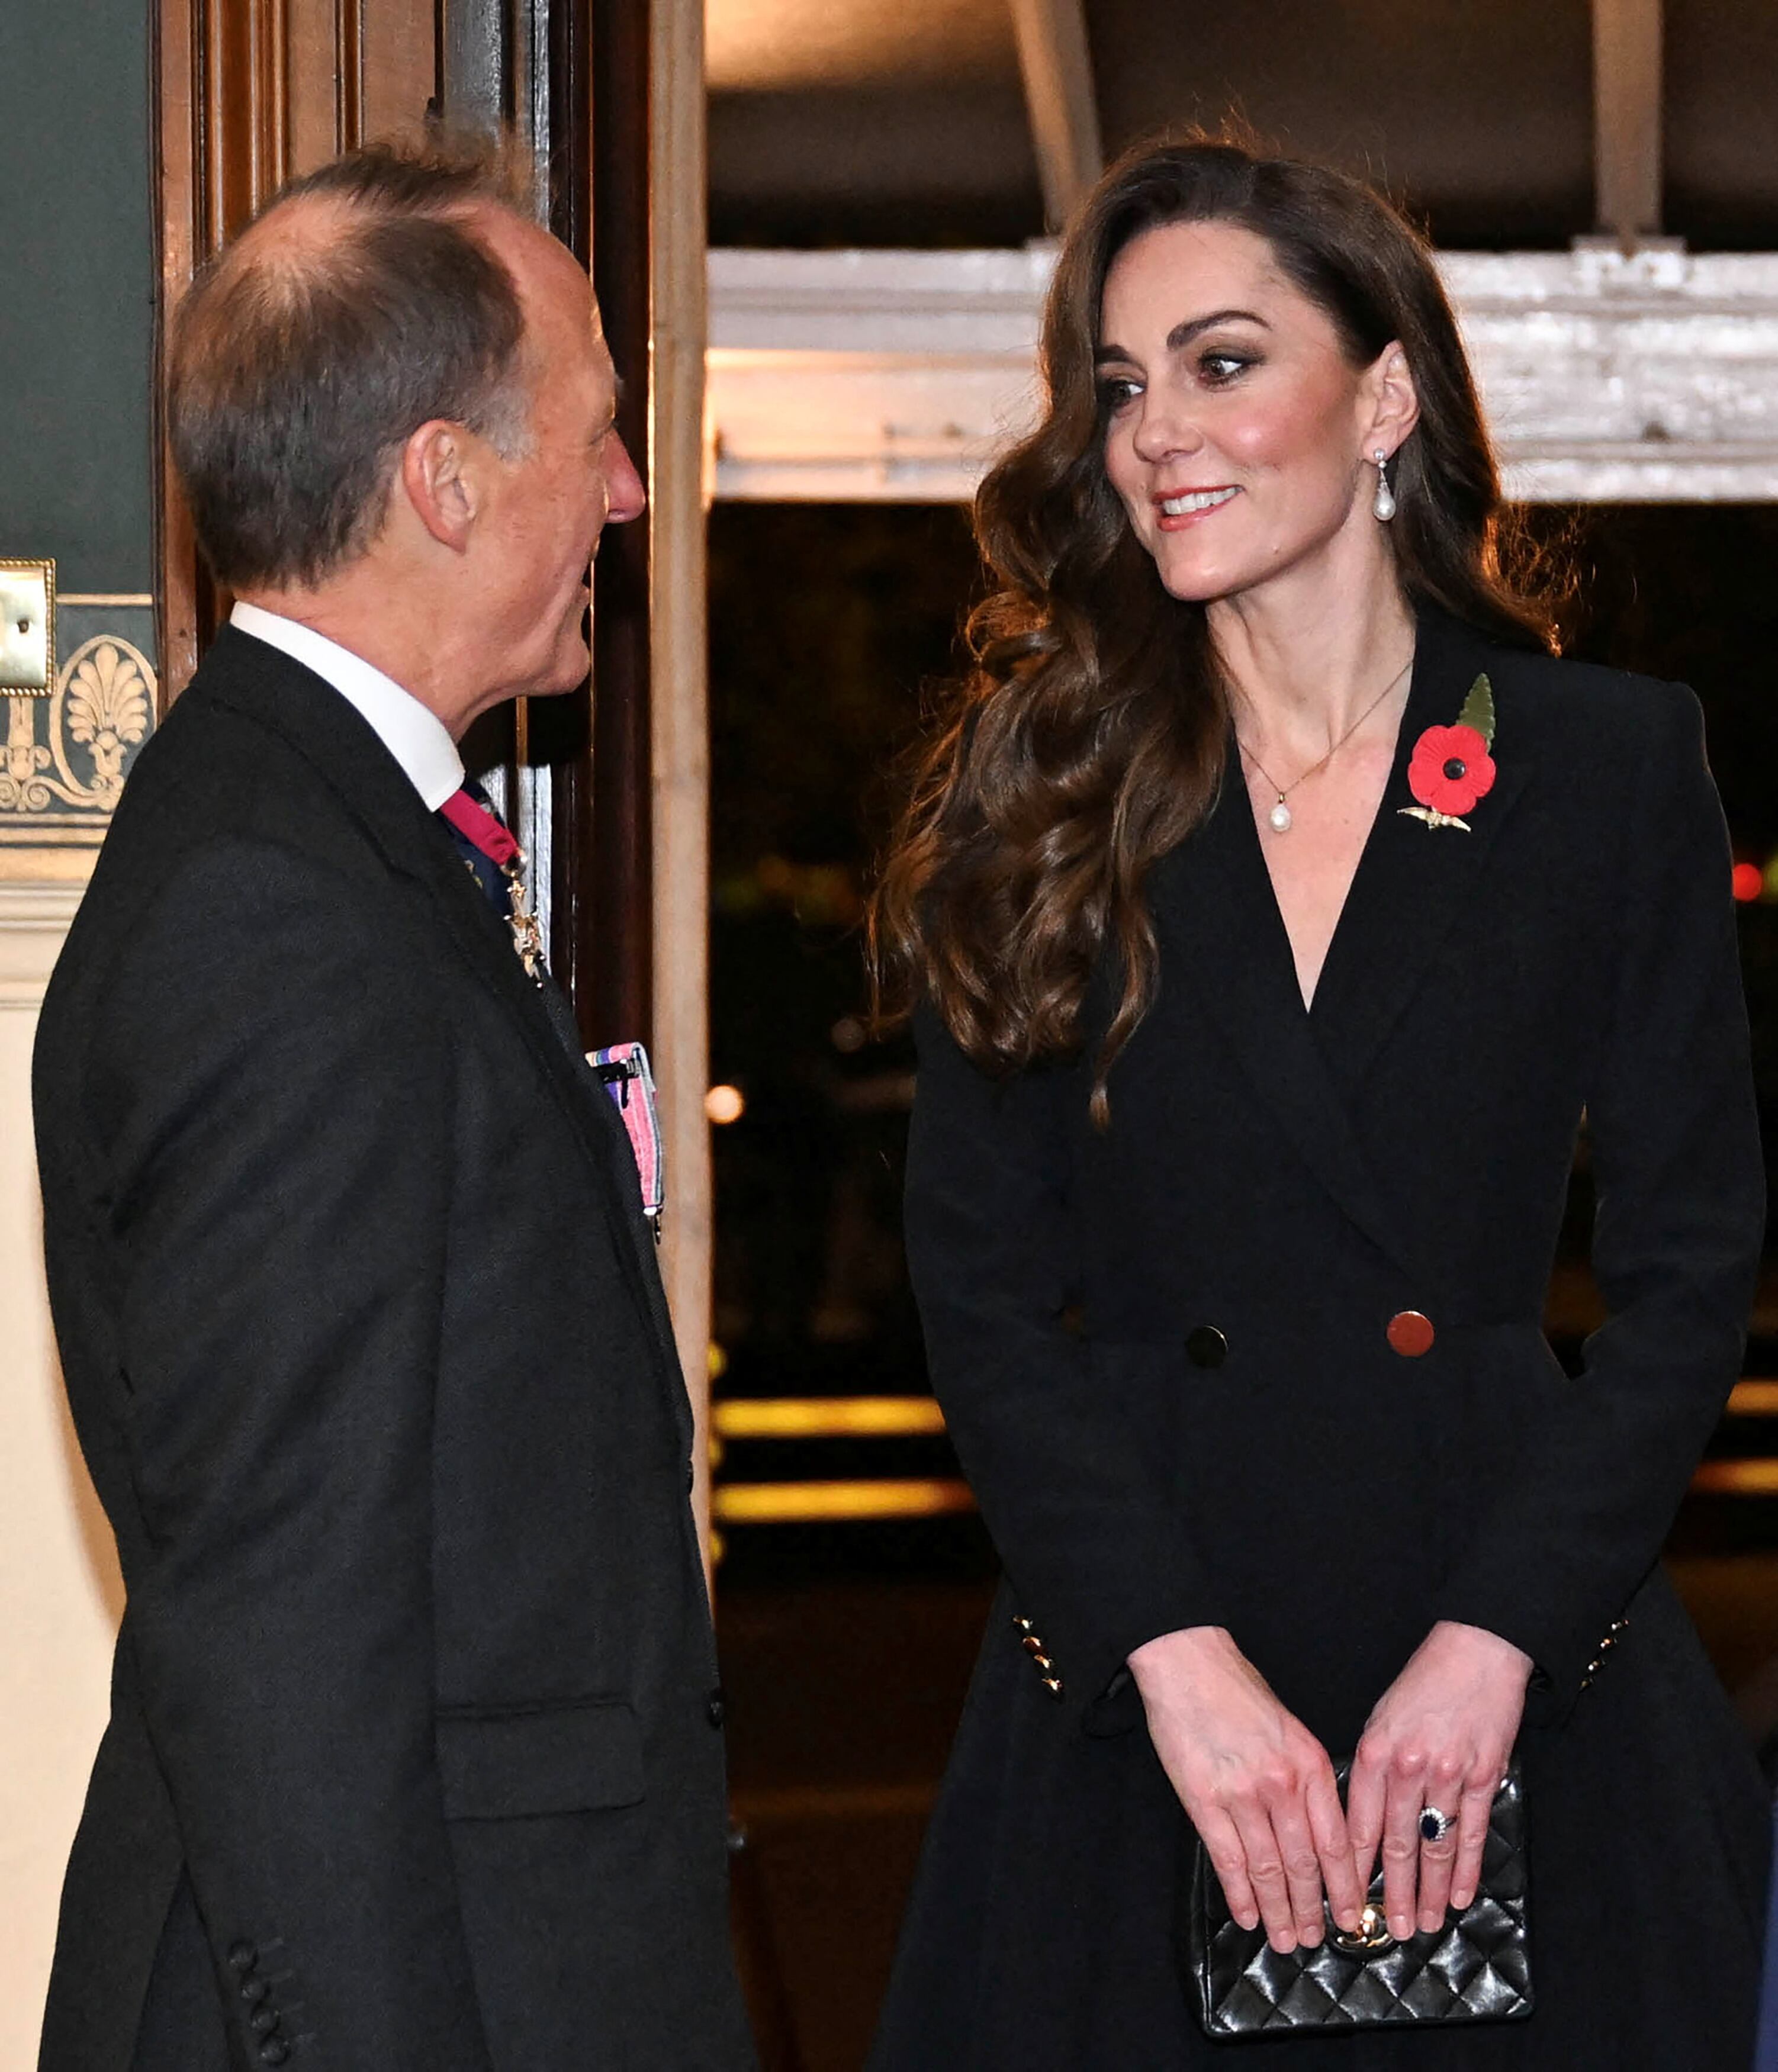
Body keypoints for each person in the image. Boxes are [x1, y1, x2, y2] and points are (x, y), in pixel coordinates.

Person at [867, 136, 1769, 2069]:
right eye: (1117, 384)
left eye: (1216, 363)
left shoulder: (1602, 766)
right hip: (1141, 1688)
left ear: (1381, 397)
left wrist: (1496, 1641)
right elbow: (982, 1299)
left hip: (1509, 1656)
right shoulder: (1036, 790)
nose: (1151, 435)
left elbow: (1691, 1271)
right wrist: (1173, 1664)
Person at [34, 142, 756, 2071]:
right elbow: (288, 1646)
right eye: (596, 434)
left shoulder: (328, 838)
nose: (623, 490)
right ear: (444, 479)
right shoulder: (277, 905)